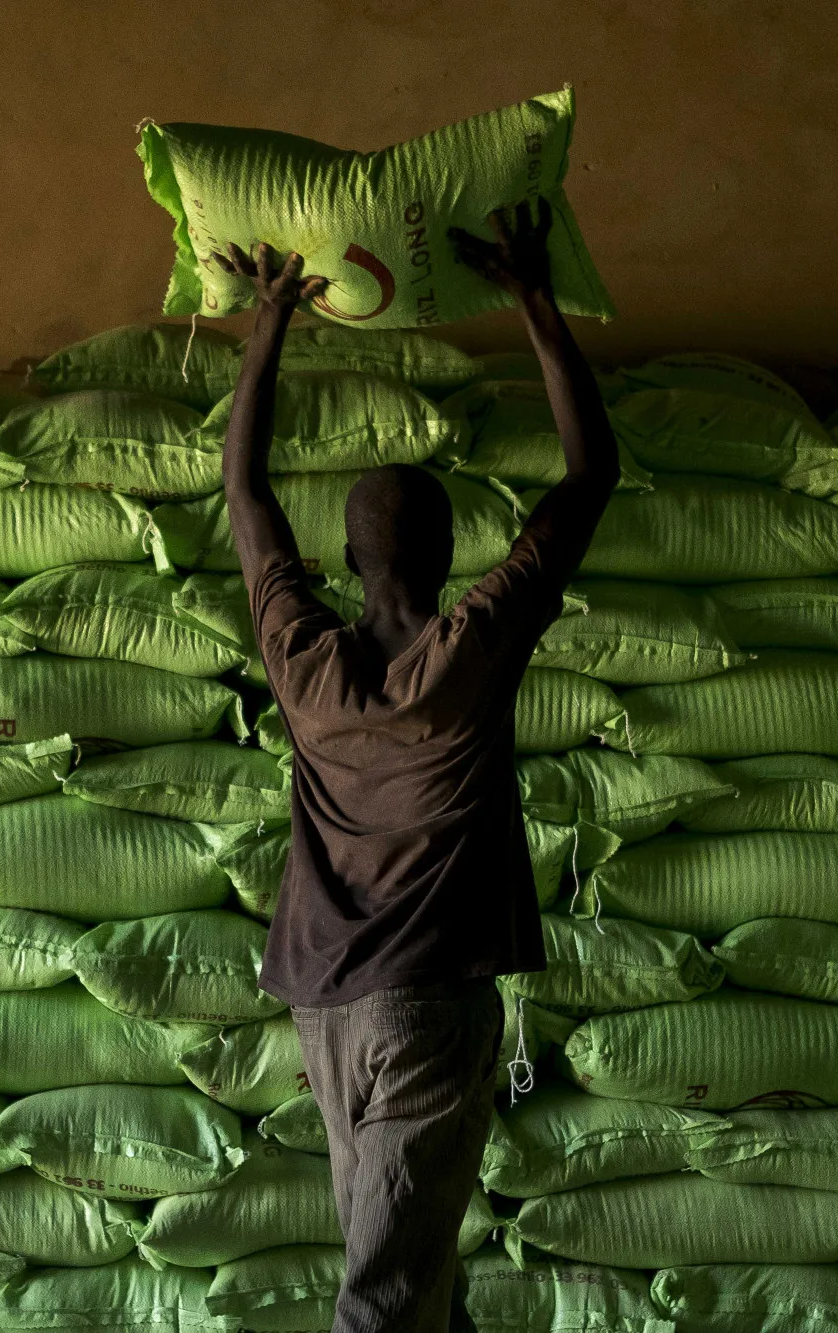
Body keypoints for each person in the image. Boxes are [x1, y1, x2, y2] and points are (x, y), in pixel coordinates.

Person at [214, 200, 620, 1333]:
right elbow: (587, 478)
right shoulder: (473, 648)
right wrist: (535, 302)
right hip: (428, 1013)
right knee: (390, 1296)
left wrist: (267, 327)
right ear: (447, 557)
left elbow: (246, 501)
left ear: (345, 557)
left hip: (325, 1014)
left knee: (408, 1277)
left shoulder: (305, 663)